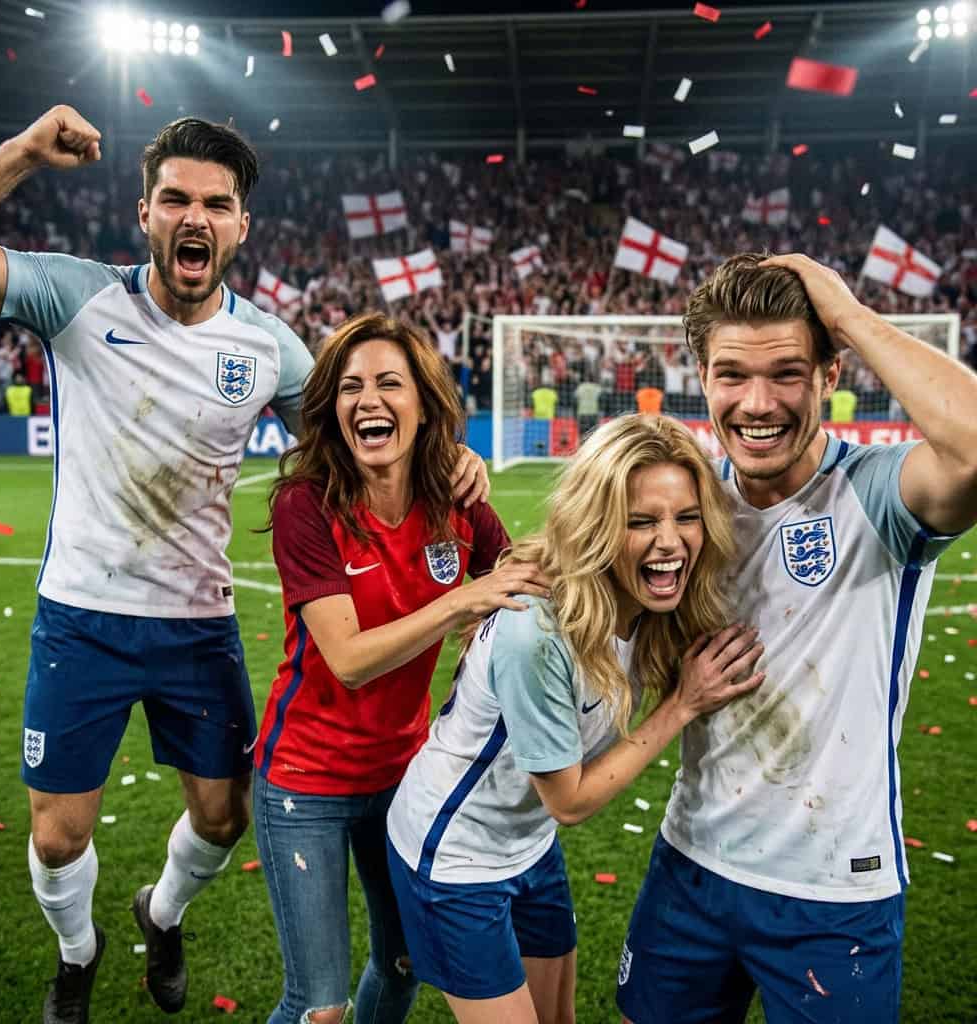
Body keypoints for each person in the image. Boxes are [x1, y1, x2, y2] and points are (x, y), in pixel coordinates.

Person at [0, 105, 491, 1024]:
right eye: (175, 199)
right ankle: (77, 956)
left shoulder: (270, 346)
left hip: (196, 625)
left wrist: (450, 457)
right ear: (146, 213)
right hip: (80, 615)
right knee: (56, 837)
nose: (194, 216)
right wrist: (23, 156)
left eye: (216, 202)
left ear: (240, 225)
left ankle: (159, 916)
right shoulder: (74, 294)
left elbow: (362, 419)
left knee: (222, 818)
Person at [617, 253, 977, 1024]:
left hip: (833, 887)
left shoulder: (876, 494)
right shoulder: (692, 510)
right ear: (702, 380)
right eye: (730, 375)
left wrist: (842, 309)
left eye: (787, 372)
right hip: (692, 864)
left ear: (829, 374)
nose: (757, 403)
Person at [387, 413, 765, 1024]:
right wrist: (682, 704)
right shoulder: (537, 631)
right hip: (453, 854)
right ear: (597, 526)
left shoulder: (650, 598)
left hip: (527, 842)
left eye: (686, 517)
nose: (670, 541)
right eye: (641, 521)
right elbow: (570, 800)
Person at [254, 312, 544, 1024]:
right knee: (317, 1006)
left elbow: (520, 585)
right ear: (333, 409)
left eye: (390, 382)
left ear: (423, 405)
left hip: (401, 776)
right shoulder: (305, 504)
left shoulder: (457, 501)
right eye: (351, 387)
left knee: (403, 964)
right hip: (306, 781)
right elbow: (349, 661)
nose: (369, 400)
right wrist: (467, 601)